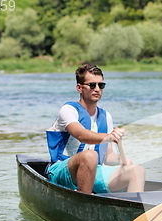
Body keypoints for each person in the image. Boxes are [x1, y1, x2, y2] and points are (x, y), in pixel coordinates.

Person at [46, 63, 145, 194]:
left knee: (136, 170)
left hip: (94, 170)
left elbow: (107, 155)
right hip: (61, 170)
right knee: (89, 156)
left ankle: (133, 211)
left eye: (101, 85)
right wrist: (109, 137)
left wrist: (121, 159)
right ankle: (84, 204)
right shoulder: (68, 110)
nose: (97, 89)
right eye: (92, 85)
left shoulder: (106, 116)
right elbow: (81, 135)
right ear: (79, 88)